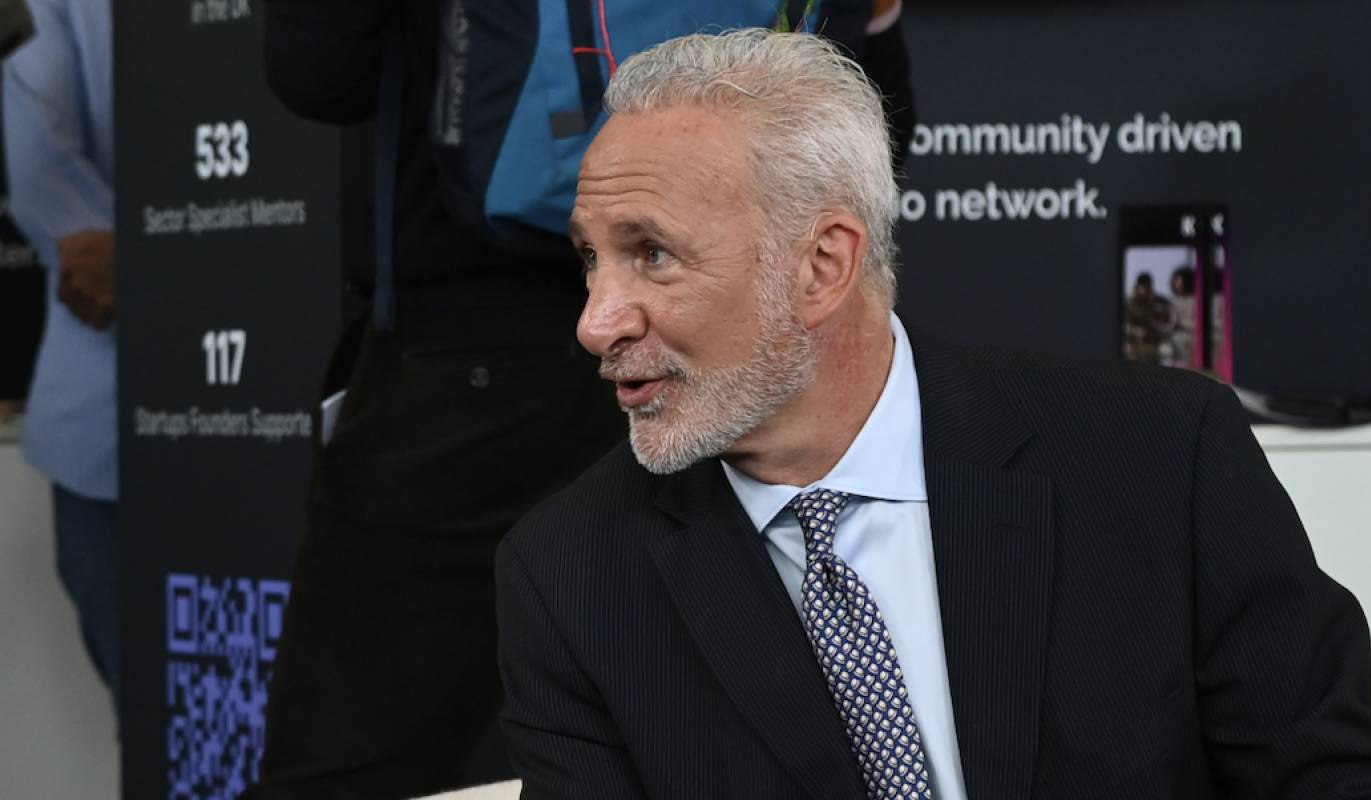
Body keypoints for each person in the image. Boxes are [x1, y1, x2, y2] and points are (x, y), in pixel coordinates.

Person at [497, 30, 1371, 799]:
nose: (596, 321)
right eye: (590, 259)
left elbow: (1333, 780)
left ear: (823, 265)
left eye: (652, 255)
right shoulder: (572, 576)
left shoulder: (1161, 459)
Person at [248, 4, 915, 797]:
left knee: (353, 758)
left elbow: (317, 71)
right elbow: (865, 137)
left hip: (471, 361)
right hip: (742, 350)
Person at [3, 0, 120, 716]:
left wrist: (163, 259)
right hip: (101, 417)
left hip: (281, 389)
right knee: (165, 726)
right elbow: (40, 164)